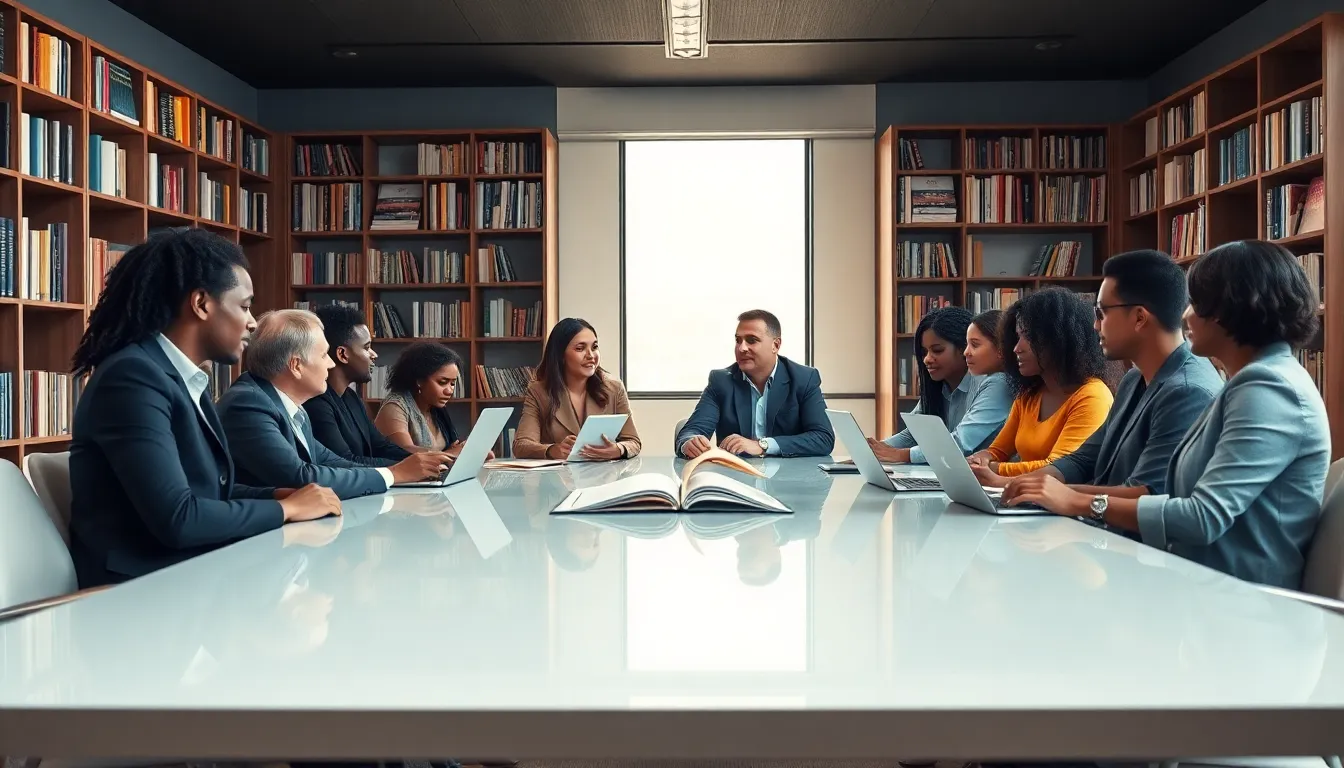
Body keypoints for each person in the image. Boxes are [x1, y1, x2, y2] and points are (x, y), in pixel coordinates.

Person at [1006, 240, 1330, 589]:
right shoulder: (1250, 381)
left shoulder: (1267, 388)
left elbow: (1202, 516)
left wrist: (1080, 502)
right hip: (1195, 580)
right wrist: (1050, 491)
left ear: (1231, 308)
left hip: (1235, 599)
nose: (1185, 316)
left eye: (1197, 304)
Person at [67, 229, 340, 588]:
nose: (252, 322)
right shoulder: (132, 377)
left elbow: (206, 492)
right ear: (201, 304)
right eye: (244, 306)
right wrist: (288, 509)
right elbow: (179, 518)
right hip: (139, 590)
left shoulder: (181, 378)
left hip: (188, 572)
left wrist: (277, 495)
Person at [1001, 249, 1223, 514]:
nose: (1095, 326)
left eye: (1101, 313)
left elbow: (1149, 494)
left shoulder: (1187, 392)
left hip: (1132, 537)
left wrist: (1058, 493)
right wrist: (1025, 484)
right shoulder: (1133, 379)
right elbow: (1084, 459)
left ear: (1139, 317)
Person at [217, 310, 449, 500]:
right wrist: (393, 474)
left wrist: (412, 469)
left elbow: (333, 462)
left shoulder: (291, 407)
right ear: (296, 366)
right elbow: (299, 477)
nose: (330, 364)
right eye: (323, 355)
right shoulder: (248, 404)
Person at [969, 287, 1113, 482]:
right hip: (1021, 495)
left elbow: (1060, 468)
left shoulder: (1092, 396)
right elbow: (997, 451)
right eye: (1017, 337)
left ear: (1060, 339)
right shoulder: (1029, 394)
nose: (1016, 348)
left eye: (1028, 337)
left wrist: (993, 469)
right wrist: (980, 459)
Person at [675, 309, 835, 459]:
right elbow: (692, 431)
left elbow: (823, 438)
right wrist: (689, 442)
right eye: (738, 340)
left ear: (776, 345)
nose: (742, 348)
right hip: (735, 475)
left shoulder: (804, 379)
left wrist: (762, 445)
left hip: (790, 476)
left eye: (752, 340)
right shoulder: (721, 381)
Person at [871, 307, 1011, 464]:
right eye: (924, 352)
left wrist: (901, 455)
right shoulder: (939, 386)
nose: (927, 359)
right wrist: (874, 450)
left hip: (984, 476)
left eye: (937, 350)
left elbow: (961, 442)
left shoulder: (996, 383)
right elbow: (912, 435)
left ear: (960, 347)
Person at [513, 317, 642, 460]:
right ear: (561, 355)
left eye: (594, 347)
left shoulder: (614, 388)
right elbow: (522, 446)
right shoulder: (539, 391)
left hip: (603, 472)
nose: (591, 355)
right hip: (559, 473)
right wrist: (552, 450)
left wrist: (618, 449)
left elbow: (633, 441)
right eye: (580, 348)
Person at [302, 304, 411, 467]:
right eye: (367, 347)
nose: (374, 354)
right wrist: (407, 467)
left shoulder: (351, 397)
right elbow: (344, 462)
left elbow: (380, 446)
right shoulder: (316, 404)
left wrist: (425, 460)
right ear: (342, 354)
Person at [374, 341, 475, 455]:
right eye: (442, 382)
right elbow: (404, 452)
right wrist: (453, 453)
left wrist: (464, 450)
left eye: (452, 383)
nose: (449, 391)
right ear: (420, 381)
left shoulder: (435, 408)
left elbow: (446, 450)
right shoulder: (395, 406)